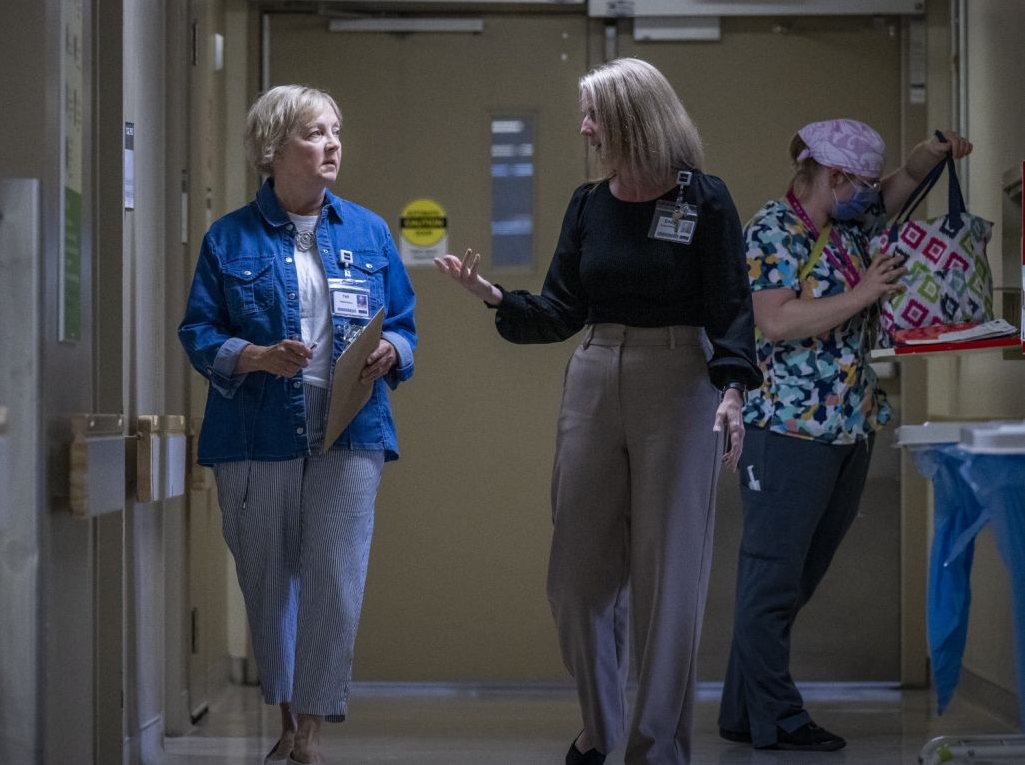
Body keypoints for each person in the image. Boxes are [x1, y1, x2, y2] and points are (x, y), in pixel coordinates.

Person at [435, 57, 760, 765]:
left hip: (682, 381)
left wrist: (734, 391)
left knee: (666, 582)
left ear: (634, 120)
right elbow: (560, 309)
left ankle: (653, 750)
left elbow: (732, 304)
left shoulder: (703, 198)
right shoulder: (589, 204)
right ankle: (602, 733)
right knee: (577, 583)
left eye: (594, 117)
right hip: (593, 372)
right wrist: (496, 297)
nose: (584, 129)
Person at [177, 84, 417, 765]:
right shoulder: (229, 237)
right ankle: (287, 715)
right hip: (254, 435)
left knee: (335, 582)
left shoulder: (369, 232)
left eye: (336, 131)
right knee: (269, 582)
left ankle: (307, 732)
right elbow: (196, 331)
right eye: (315, 133)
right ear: (273, 147)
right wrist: (253, 356)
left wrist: (392, 350)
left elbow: (403, 323)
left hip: (351, 428)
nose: (332, 144)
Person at [718, 120, 973, 752]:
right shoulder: (772, 229)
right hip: (786, 430)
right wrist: (862, 295)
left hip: (848, 428)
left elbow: (904, 180)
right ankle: (780, 717)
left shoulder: (851, 224)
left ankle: (742, 710)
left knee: (793, 581)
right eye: (859, 182)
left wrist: (932, 153)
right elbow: (774, 322)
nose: (870, 193)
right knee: (773, 578)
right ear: (832, 177)